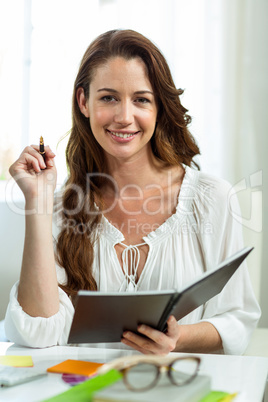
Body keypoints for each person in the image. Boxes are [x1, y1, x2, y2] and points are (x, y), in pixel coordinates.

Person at [5, 29, 260, 354]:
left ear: (159, 107)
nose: (124, 117)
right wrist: (38, 204)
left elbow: (237, 319)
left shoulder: (210, 199)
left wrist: (176, 338)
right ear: (84, 102)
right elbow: (36, 332)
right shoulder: (61, 209)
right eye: (108, 97)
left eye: (141, 99)